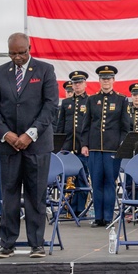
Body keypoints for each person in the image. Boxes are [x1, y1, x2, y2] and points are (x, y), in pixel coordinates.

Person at [0, 32, 59, 258]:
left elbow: (50, 106)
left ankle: (37, 243)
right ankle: (6, 243)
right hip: (8, 146)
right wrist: (7, 134)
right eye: (12, 53)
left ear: (30, 48)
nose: (17, 57)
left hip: (36, 145)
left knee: (35, 195)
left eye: (21, 52)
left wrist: (29, 134)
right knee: (8, 195)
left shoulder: (45, 70)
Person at [79, 65, 129, 227]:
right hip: (94, 148)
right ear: (99, 80)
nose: (106, 81)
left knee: (110, 182)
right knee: (96, 182)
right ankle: (98, 217)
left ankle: (108, 216)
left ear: (113, 80)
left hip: (112, 148)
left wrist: (122, 144)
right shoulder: (92, 100)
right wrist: (84, 144)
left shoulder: (121, 100)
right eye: (103, 79)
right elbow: (86, 124)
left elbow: (125, 126)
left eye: (108, 78)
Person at [55, 70, 91, 217]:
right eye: (75, 83)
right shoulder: (66, 103)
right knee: (67, 180)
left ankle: (80, 209)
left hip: (82, 147)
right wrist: (59, 145)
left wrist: (87, 144)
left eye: (80, 82)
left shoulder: (90, 101)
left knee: (82, 178)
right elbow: (60, 125)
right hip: (68, 146)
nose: (77, 86)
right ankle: (67, 207)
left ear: (85, 84)